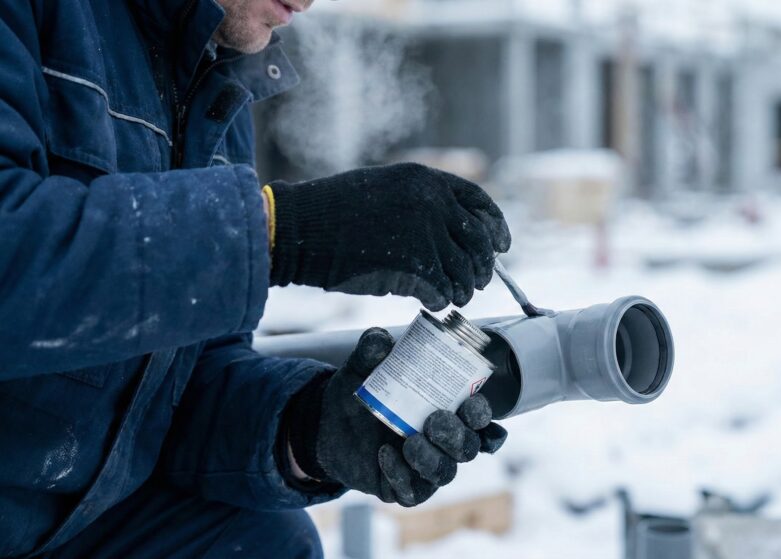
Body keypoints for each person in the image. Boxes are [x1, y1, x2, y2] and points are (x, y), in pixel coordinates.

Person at [0, 0, 510, 556]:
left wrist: (311, 432)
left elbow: (185, 383)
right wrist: (281, 232)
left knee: (263, 543)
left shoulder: (216, 75)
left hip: (75, 523)